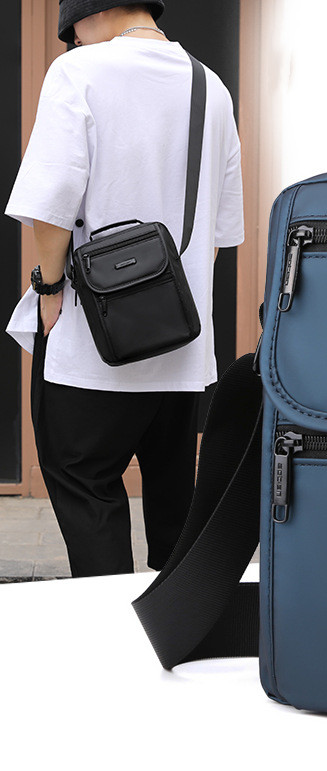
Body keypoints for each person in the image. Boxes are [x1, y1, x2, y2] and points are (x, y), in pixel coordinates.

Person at [4, 1, 245, 577]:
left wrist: (49, 287)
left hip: (93, 339)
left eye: (71, 31)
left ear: (89, 13)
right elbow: (219, 234)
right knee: (172, 494)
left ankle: (108, 618)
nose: (73, 42)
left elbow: (51, 201)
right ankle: (174, 617)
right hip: (181, 341)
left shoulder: (78, 71)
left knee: (84, 484)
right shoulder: (209, 86)